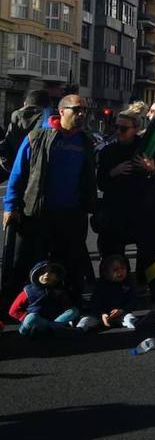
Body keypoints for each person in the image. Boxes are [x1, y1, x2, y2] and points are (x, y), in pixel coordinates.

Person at [3, 95, 96, 302]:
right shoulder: (36, 137)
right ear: (62, 111)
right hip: (37, 212)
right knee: (27, 262)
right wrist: (10, 206)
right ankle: (17, 305)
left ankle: (69, 302)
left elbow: (88, 176)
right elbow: (18, 173)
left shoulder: (84, 141)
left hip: (71, 212)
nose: (82, 114)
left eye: (85, 111)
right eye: (77, 109)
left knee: (70, 261)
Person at [95, 110, 155, 316]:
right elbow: (100, 182)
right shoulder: (108, 151)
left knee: (150, 257)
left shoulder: (148, 148)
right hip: (116, 213)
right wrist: (112, 172)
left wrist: (151, 169)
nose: (118, 131)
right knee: (113, 256)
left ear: (136, 129)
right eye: (116, 127)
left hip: (145, 212)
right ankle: (114, 301)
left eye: (123, 128)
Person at [9, 260, 79, 336]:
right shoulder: (28, 291)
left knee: (73, 311)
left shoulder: (59, 290)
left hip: (52, 320)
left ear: (56, 277)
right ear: (36, 275)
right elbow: (13, 311)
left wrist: (63, 297)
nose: (47, 274)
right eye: (43, 272)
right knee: (32, 317)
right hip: (34, 322)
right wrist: (25, 318)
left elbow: (66, 306)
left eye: (51, 272)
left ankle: (49, 329)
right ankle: (49, 329)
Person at [77, 255, 139, 332]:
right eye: (115, 270)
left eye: (123, 268)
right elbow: (94, 303)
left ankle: (137, 323)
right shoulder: (101, 286)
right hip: (102, 316)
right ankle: (79, 329)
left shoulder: (127, 284)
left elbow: (133, 300)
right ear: (106, 273)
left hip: (120, 315)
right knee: (87, 319)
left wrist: (122, 310)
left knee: (128, 317)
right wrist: (102, 314)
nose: (120, 271)